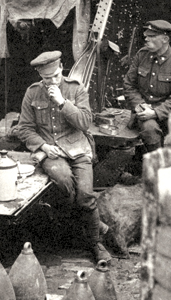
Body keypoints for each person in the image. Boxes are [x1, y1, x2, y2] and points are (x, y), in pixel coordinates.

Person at [13, 51, 122, 263]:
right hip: (50, 151)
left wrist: (63, 103)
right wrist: (43, 146)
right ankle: (94, 227)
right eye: (46, 78)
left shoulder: (76, 88)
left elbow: (84, 122)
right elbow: (24, 128)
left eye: (55, 76)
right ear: (39, 76)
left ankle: (95, 243)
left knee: (85, 195)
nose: (51, 81)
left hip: (78, 148)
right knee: (63, 182)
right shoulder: (32, 93)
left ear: (61, 68)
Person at [122, 20, 171, 152]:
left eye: (152, 36)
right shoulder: (141, 55)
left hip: (170, 112)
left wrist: (156, 113)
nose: (146, 39)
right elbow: (129, 84)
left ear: (165, 39)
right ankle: (157, 164)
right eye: (146, 35)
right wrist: (139, 105)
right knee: (150, 129)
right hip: (144, 110)